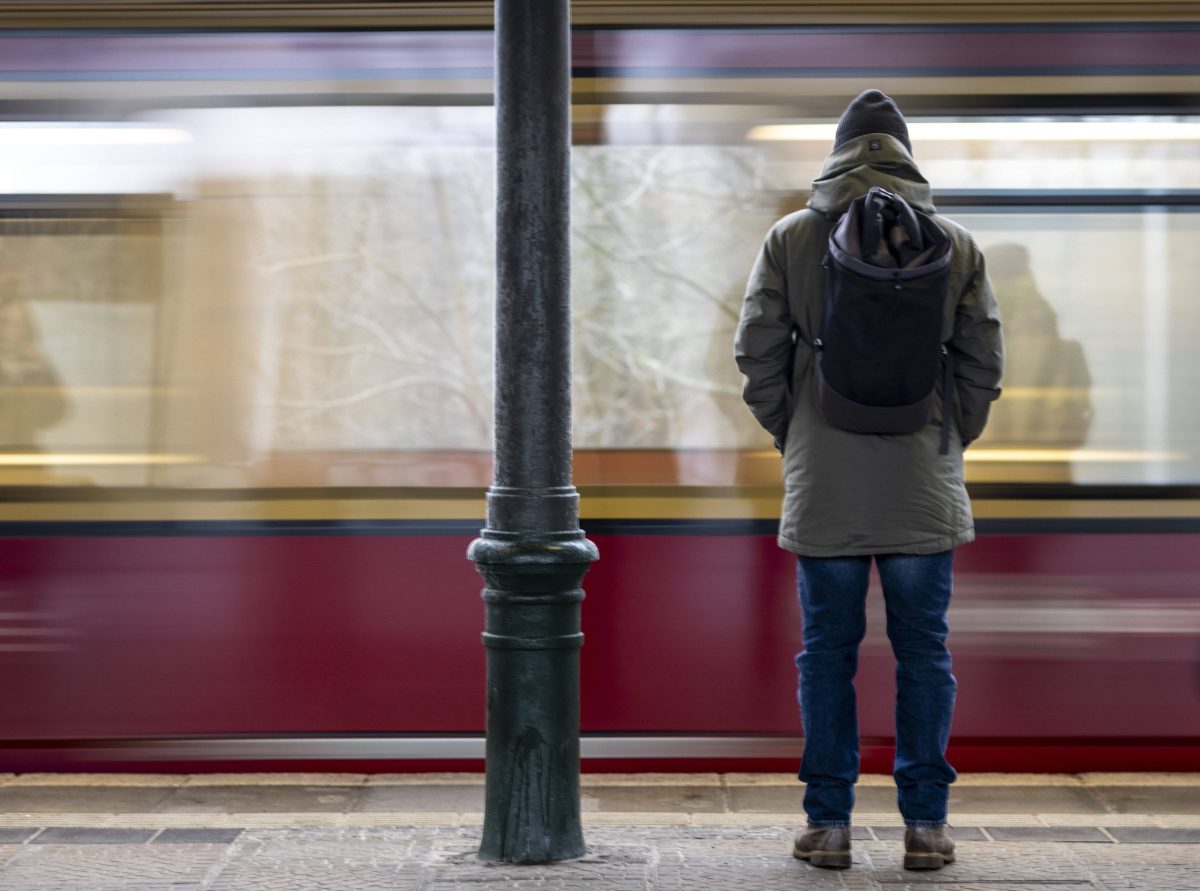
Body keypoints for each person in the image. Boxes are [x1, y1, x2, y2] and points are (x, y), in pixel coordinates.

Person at [734, 90, 1003, 870]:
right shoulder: (954, 241)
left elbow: (756, 352)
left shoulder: (790, 237)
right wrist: (945, 437)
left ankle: (829, 824)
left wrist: (797, 429)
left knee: (827, 652)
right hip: (922, 476)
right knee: (925, 652)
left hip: (827, 483)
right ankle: (926, 826)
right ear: (907, 155)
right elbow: (984, 363)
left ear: (836, 153)